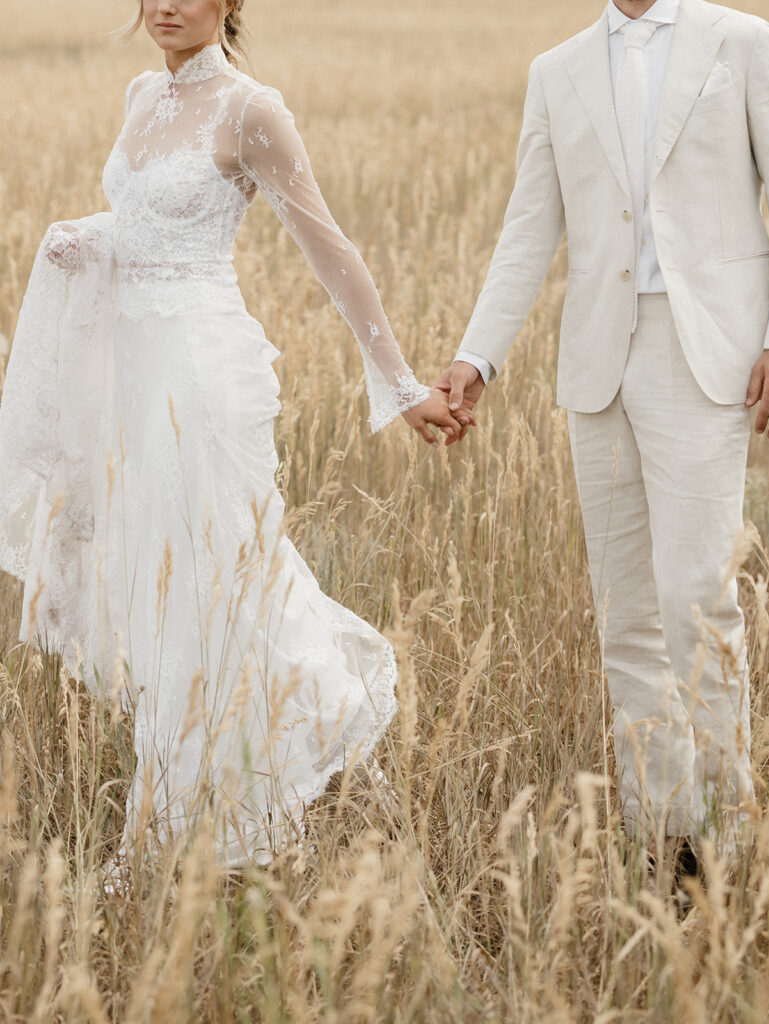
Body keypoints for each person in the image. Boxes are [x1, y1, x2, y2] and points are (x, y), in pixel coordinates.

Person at [0, 0, 473, 878]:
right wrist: (87, 239)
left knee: (215, 574)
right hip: (133, 377)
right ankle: (199, 797)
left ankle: (203, 821)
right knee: (156, 575)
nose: (165, 5)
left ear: (229, 3)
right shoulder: (144, 93)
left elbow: (326, 245)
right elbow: (147, 228)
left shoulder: (251, 109)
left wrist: (400, 383)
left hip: (202, 376)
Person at [436, 0, 769, 862]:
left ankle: (730, 836)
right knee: (625, 617)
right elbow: (527, 230)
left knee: (696, 599)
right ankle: (667, 837)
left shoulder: (747, 43)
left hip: (707, 354)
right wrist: (475, 356)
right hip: (598, 359)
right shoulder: (557, 68)